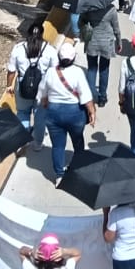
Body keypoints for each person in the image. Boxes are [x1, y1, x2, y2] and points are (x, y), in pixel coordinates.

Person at [38, 40, 97, 178]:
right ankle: (78, 166)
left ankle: (59, 175)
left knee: (58, 146)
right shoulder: (78, 72)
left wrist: (46, 105)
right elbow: (86, 96)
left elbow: (43, 94)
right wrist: (92, 113)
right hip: (75, 114)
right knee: (78, 141)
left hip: (54, 113)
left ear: (59, 57)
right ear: (74, 58)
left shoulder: (51, 72)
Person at [6, 19, 56, 151]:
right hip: (43, 90)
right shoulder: (50, 50)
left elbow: (11, 70)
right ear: (42, 33)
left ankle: (22, 142)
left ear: (28, 34)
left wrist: (9, 85)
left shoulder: (18, 48)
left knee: (22, 113)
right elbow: (55, 72)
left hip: (23, 87)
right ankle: (38, 144)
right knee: (40, 117)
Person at [81, 0, 122, 107]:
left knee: (92, 69)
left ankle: (90, 95)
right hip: (107, 43)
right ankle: (102, 97)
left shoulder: (88, 8)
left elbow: (81, 21)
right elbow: (116, 28)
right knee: (104, 69)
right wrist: (119, 42)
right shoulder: (111, 9)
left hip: (91, 41)